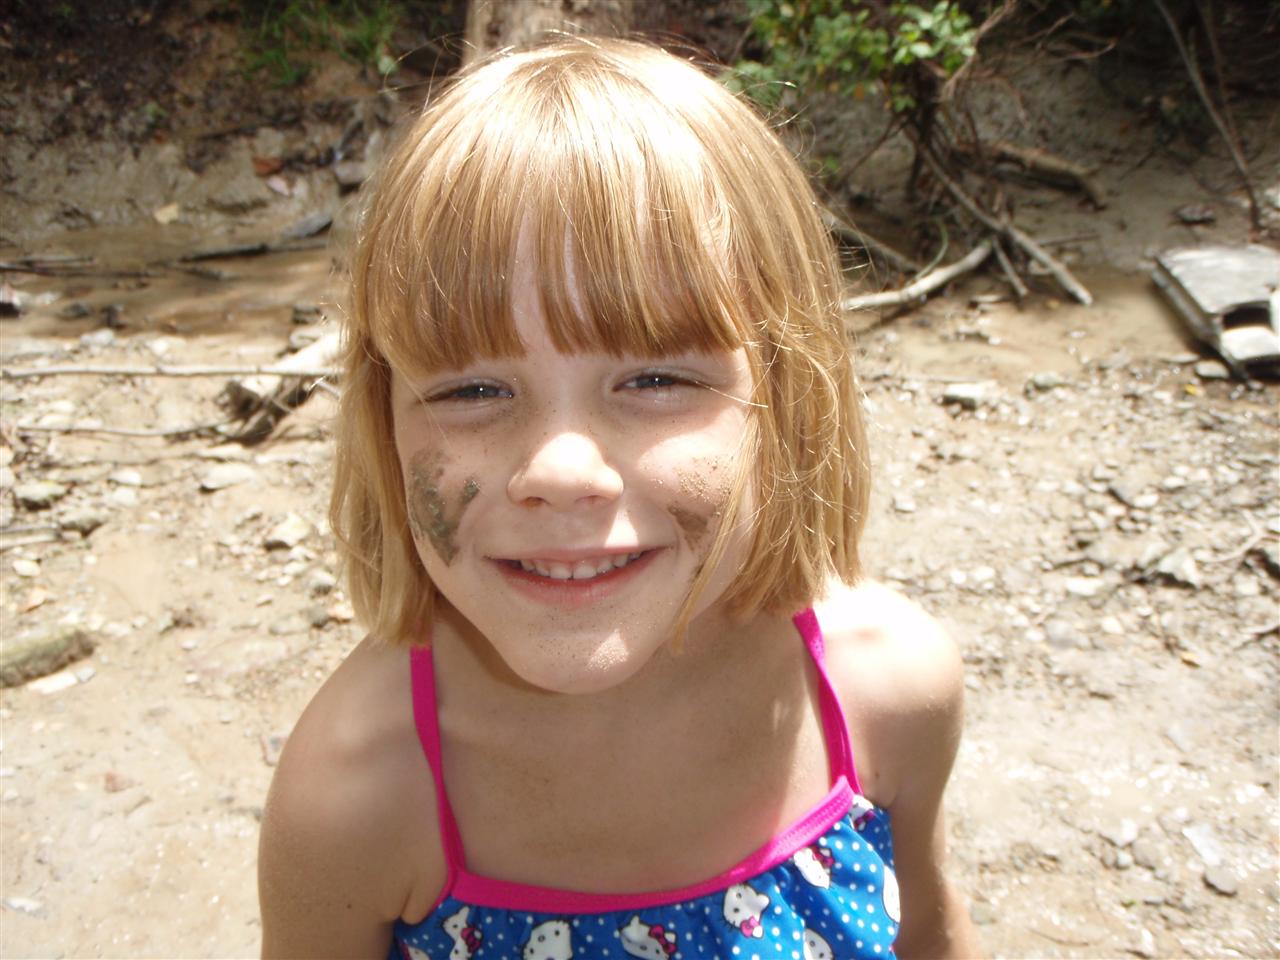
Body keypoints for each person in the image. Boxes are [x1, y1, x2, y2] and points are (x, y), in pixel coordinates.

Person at [258, 35, 981, 960]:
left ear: (789, 398)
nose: (560, 470)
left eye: (655, 379)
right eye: (472, 389)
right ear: (384, 424)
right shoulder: (354, 795)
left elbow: (932, 931)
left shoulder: (888, 690)